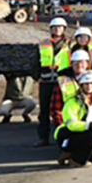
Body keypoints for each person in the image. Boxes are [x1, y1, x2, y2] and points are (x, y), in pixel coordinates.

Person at [55, 71, 92, 167]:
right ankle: (76, 160)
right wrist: (91, 125)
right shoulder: (73, 101)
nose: (89, 86)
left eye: (91, 83)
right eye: (86, 84)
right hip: (68, 135)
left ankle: (73, 154)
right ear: (81, 85)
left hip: (87, 135)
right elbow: (71, 124)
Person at [36, 17, 70, 147]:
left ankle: (63, 137)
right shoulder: (44, 43)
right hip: (46, 81)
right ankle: (43, 137)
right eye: (55, 28)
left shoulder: (70, 44)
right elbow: (36, 61)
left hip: (62, 82)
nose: (57, 30)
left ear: (64, 29)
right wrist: (37, 76)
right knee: (44, 111)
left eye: (60, 27)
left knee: (62, 110)